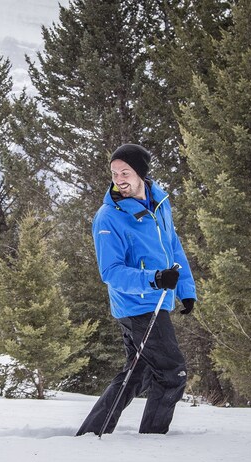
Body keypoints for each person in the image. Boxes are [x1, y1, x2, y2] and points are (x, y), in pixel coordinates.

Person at [76, 143, 196, 436]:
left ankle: (92, 434)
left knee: (137, 373)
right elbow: (111, 272)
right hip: (138, 305)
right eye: (115, 173)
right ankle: (153, 440)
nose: (119, 179)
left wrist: (186, 288)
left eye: (125, 172)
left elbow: (173, 249)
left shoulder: (159, 203)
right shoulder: (108, 216)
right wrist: (154, 279)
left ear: (141, 173)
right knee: (171, 373)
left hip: (158, 300)